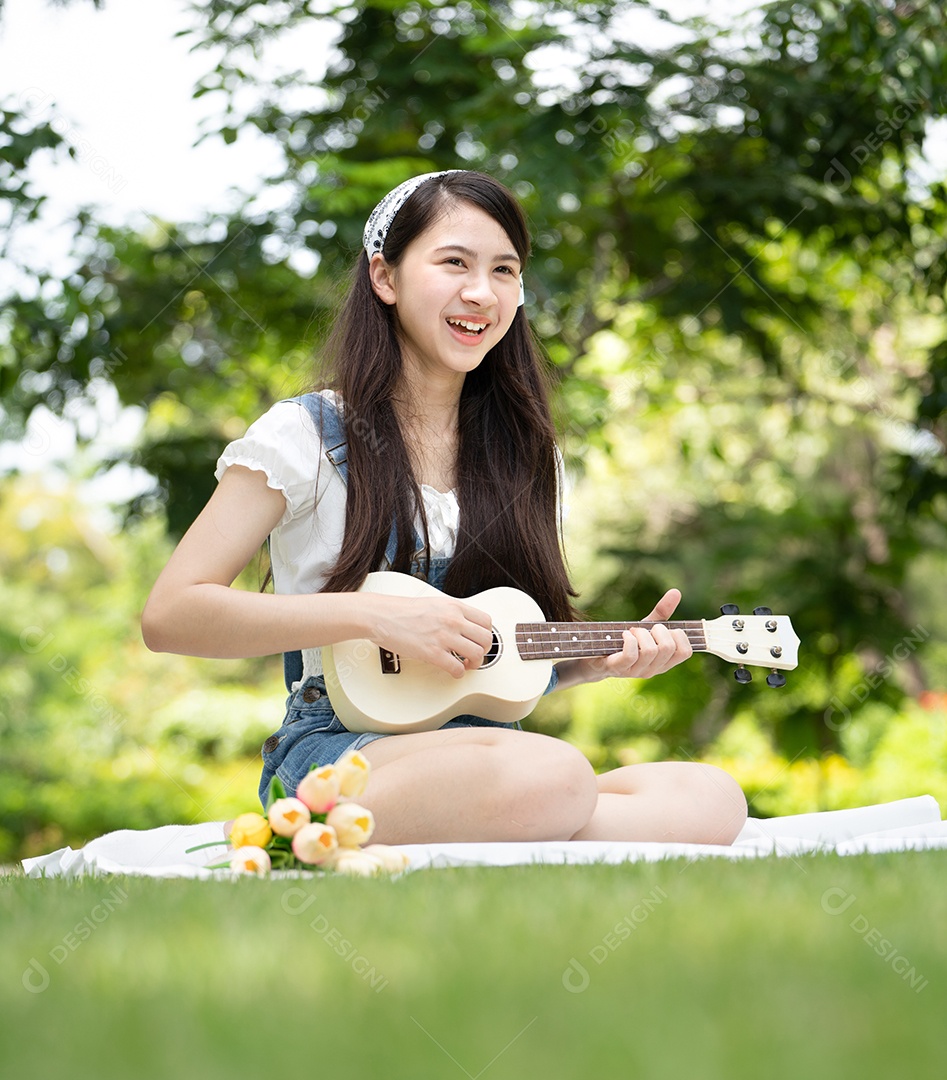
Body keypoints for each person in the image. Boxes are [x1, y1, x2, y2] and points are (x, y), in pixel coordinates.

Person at [142, 169, 748, 846]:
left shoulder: (525, 459)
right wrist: (372, 613)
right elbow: (171, 615)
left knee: (711, 797)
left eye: (504, 270)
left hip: (492, 755)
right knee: (555, 776)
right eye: (453, 263)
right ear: (385, 277)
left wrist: (595, 661)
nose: (480, 293)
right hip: (344, 752)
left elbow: (495, 661)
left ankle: (450, 827)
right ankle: (316, 820)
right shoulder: (306, 435)